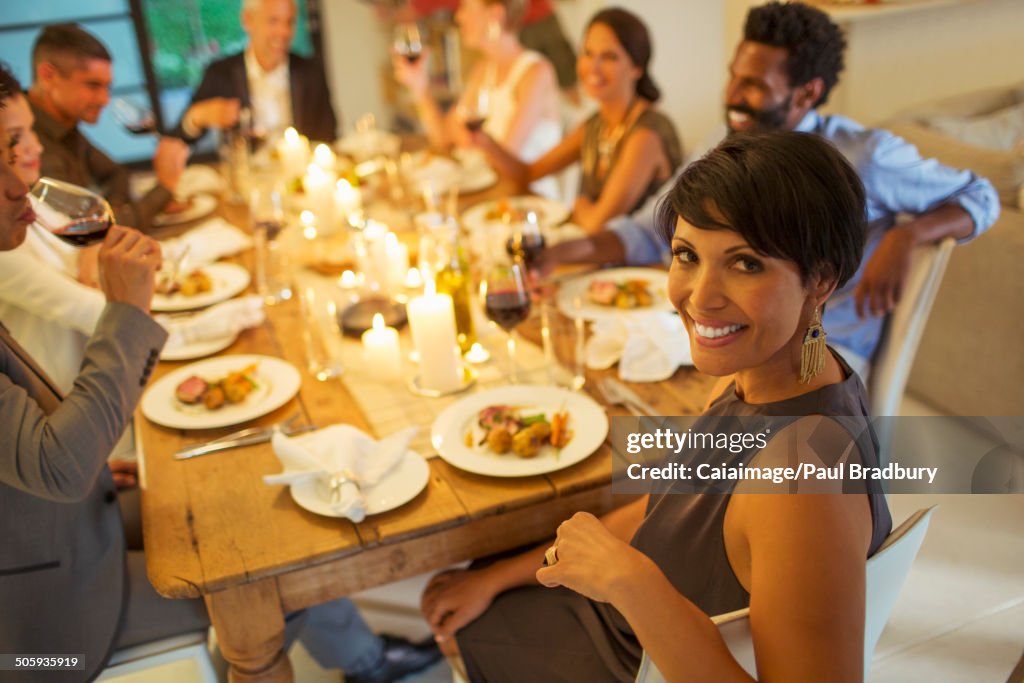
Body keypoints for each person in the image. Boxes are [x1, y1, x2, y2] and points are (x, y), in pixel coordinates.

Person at [0, 80, 440, 683]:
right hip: (46, 621)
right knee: (272, 573)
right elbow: (56, 466)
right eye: (5, 152)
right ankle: (365, 662)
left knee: (275, 509)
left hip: (74, 518)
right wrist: (128, 311)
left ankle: (367, 660)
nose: (22, 181)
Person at [419, 131, 892, 682]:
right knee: (479, 576)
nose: (700, 295)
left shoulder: (801, 483)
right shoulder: (771, 376)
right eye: (687, 255)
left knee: (469, 625)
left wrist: (632, 583)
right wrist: (500, 576)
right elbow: (670, 508)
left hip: (641, 659)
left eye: (745, 264)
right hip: (635, 623)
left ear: (822, 280)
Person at [534, 1, 999, 375]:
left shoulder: (866, 157)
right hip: (741, 332)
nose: (732, 94)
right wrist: (559, 255)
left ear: (806, 93)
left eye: (754, 84)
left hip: (823, 354)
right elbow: (649, 229)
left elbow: (982, 195)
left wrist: (908, 235)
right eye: (734, 74)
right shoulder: (727, 142)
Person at [472, 7, 683, 233]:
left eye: (609, 57)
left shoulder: (646, 134)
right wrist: (482, 140)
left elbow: (597, 224)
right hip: (595, 254)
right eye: (588, 53)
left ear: (636, 68)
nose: (594, 67)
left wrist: (579, 207)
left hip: (639, 265)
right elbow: (527, 174)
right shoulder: (596, 124)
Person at [27, 23, 190, 232]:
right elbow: (91, 231)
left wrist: (112, 210)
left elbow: (116, 174)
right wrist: (165, 186)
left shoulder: (65, 124)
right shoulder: (29, 144)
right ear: (48, 76)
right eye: (93, 85)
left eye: (107, 87)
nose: (105, 100)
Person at [393, 0, 563, 198]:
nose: (458, 17)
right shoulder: (482, 71)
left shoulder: (537, 73)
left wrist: (471, 142)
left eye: (466, 7)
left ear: (496, 14)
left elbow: (504, 163)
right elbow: (442, 138)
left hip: (531, 204)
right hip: (489, 199)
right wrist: (419, 87)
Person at [175, 0, 338, 143]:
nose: (284, 32)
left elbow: (329, 134)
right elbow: (179, 136)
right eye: (273, 21)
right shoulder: (221, 73)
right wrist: (197, 117)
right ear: (248, 20)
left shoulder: (310, 72)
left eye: (289, 22)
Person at [518, 0, 580, 105]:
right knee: (535, 82)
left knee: (567, 74)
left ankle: (581, 112)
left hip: (544, 18)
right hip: (521, 26)